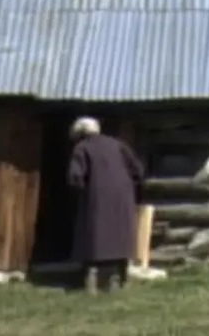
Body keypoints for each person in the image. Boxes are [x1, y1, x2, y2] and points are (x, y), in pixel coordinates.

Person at [67, 116, 144, 294]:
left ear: (80, 134)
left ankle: (93, 281)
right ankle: (119, 278)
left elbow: (75, 177)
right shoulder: (118, 144)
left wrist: (82, 192)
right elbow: (137, 170)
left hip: (96, 196)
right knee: (120, 234)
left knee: (96, 234)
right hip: (123, 196)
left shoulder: (82, 147)